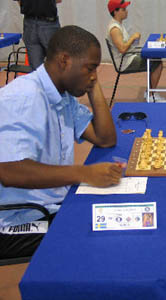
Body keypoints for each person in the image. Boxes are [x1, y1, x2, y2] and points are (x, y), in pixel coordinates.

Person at [0, 25, 124, 258]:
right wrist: (83, 173)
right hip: (21, 219)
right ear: (64, 60)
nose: (94, 74)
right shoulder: (22, 98)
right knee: (104, 236)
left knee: (117, 217)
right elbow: (9, 171)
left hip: (54, 204)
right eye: (90, 68)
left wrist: (92, 84)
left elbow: (105, 139)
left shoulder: (62, 96)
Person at [107, 0, 166, 103]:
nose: (126, 11)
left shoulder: (118, 25)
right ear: (115, 12)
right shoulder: (114, 29)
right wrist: (132, 37)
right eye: (123, 9)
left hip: (129, 56)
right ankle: (151, 95)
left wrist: (134, 40)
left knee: (154, 59)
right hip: (125, 62)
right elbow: (122, 49)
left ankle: (150, 92)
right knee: (157, 63)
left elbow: (126, 46)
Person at [14, 0, 62, 70]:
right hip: (46, 22)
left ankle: (43, 79)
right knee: (56, 61)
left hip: (30, 22)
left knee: (36, 67)